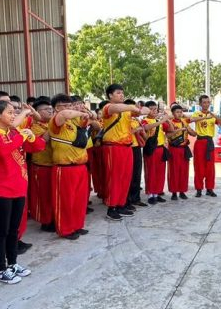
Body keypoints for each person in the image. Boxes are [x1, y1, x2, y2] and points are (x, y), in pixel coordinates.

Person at [0, 99, 43, 283]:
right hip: (0, 190)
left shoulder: (15, 133)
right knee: (0, 232)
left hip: (18, 188)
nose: (13, 116)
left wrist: (31, 136)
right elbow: (3, 151)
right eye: (10, 112)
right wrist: (21, 137)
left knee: (13, 230)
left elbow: (39, 147)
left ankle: (13, 263)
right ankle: (1, 269)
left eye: (14, 113)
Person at [100, 85, 149, 222]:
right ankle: (111, 207)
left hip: (127, 147)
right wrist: (133, 107)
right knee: (114, 177)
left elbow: (145, 110)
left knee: (125, 177)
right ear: (110, 95)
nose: (121, 95)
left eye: (122, 93)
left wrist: (137, 109)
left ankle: (121, 204)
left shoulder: (127, 110)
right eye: (118, 93)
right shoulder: (108, 108)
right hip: (113, 146)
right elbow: (117, 108)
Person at [49, 94, 94, 239]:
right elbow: (65, 114)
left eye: (70, 105)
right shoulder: (57, 120)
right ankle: (66, 229)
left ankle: (77, 225)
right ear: (56, 108)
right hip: (64, 167)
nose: (69, 108)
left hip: (80, 166)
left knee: (79, 200)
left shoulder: (74, 122)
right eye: (66, 105)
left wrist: (88, 114)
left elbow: (92, 122)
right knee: (66, 201)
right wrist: (82, 112)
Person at [28, 98, 56, 231]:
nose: (50, 111)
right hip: (42, 166)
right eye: (46, 109)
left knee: (53, 194)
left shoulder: (52, 123)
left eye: (51, 109)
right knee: (43, 196)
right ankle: (46, 221)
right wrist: (54, 124)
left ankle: (54, 218)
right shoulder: (34, 126)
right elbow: (44, 139)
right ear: (37, 112)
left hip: (54, 164)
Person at [188, 95, 217, 197]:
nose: (206, 104)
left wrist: (216, 116)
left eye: (208, 102)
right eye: (204, 102)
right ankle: (199, 189)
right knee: (199, 166)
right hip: (200, 142)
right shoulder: (197, 113)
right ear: (200, 104)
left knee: (210, 167)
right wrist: (206, 117)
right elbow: (190, 120)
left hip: (209, 142)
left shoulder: (212, 115)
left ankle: (210, 189)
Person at [163, 104, 194, 200]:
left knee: (184, 171)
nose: (179, 114)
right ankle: (174, 192)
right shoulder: (169, 123)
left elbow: (193, 133)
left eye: (181, 112)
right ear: (173, 113)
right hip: (174, 149)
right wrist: (179, 130)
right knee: (174, 171)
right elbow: (167, 136)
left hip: (184, 149)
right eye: (177, 112)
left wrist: (190, 130)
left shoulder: (184, 122)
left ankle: (182, 191)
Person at [142, 101, 168, 204]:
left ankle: (157, 193)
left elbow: (169, 129)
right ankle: (150, 194)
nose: (154, 111)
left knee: (160, 172)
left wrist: (166, 119)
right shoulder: (145, 120)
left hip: (161, 148)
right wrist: (161, 121)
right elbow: (146, 128)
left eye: (155, 109)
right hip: (151, 149)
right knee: (151, 172)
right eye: (151, 109)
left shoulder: (158, 120)